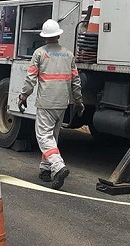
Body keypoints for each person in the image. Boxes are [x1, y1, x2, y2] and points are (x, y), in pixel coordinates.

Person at [18, 19, 84, 190]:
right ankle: (45, 170)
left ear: (44, 37)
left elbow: (31, 78)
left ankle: (57, 166)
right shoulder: (68, 55)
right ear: (58, 35)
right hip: (62, 103)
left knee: (43, 136)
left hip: (46, 102)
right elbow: (76, 81)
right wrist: (78, 101)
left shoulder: (39, 53)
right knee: (52, 137)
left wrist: (23, 95)